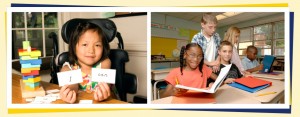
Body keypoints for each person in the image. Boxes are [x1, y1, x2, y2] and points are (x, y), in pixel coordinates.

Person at [59, 22, 117, 103]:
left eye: (97, 45)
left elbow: (104, 82)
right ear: (74, 47)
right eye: (85, 44)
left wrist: (102, 92)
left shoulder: (105, 63)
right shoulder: (68, 68)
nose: (91, 50)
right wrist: (69, 92)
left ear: (103, 47)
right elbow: (72, 86)